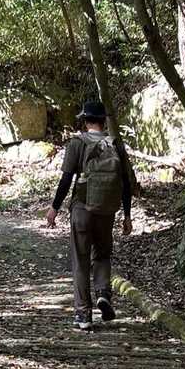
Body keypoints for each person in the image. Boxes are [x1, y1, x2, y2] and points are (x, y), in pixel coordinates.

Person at [44, 99, 134, 330]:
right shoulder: (115, 144)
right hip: (107, 210)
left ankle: (83, 314)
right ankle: (103, 293)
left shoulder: (77, 143)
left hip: (82, 209)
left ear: (85, 121)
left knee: (81, 260)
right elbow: (126, 183)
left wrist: (54, 207)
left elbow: (66, 179)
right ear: (104, 121)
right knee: (102, 255)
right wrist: (127, 215)